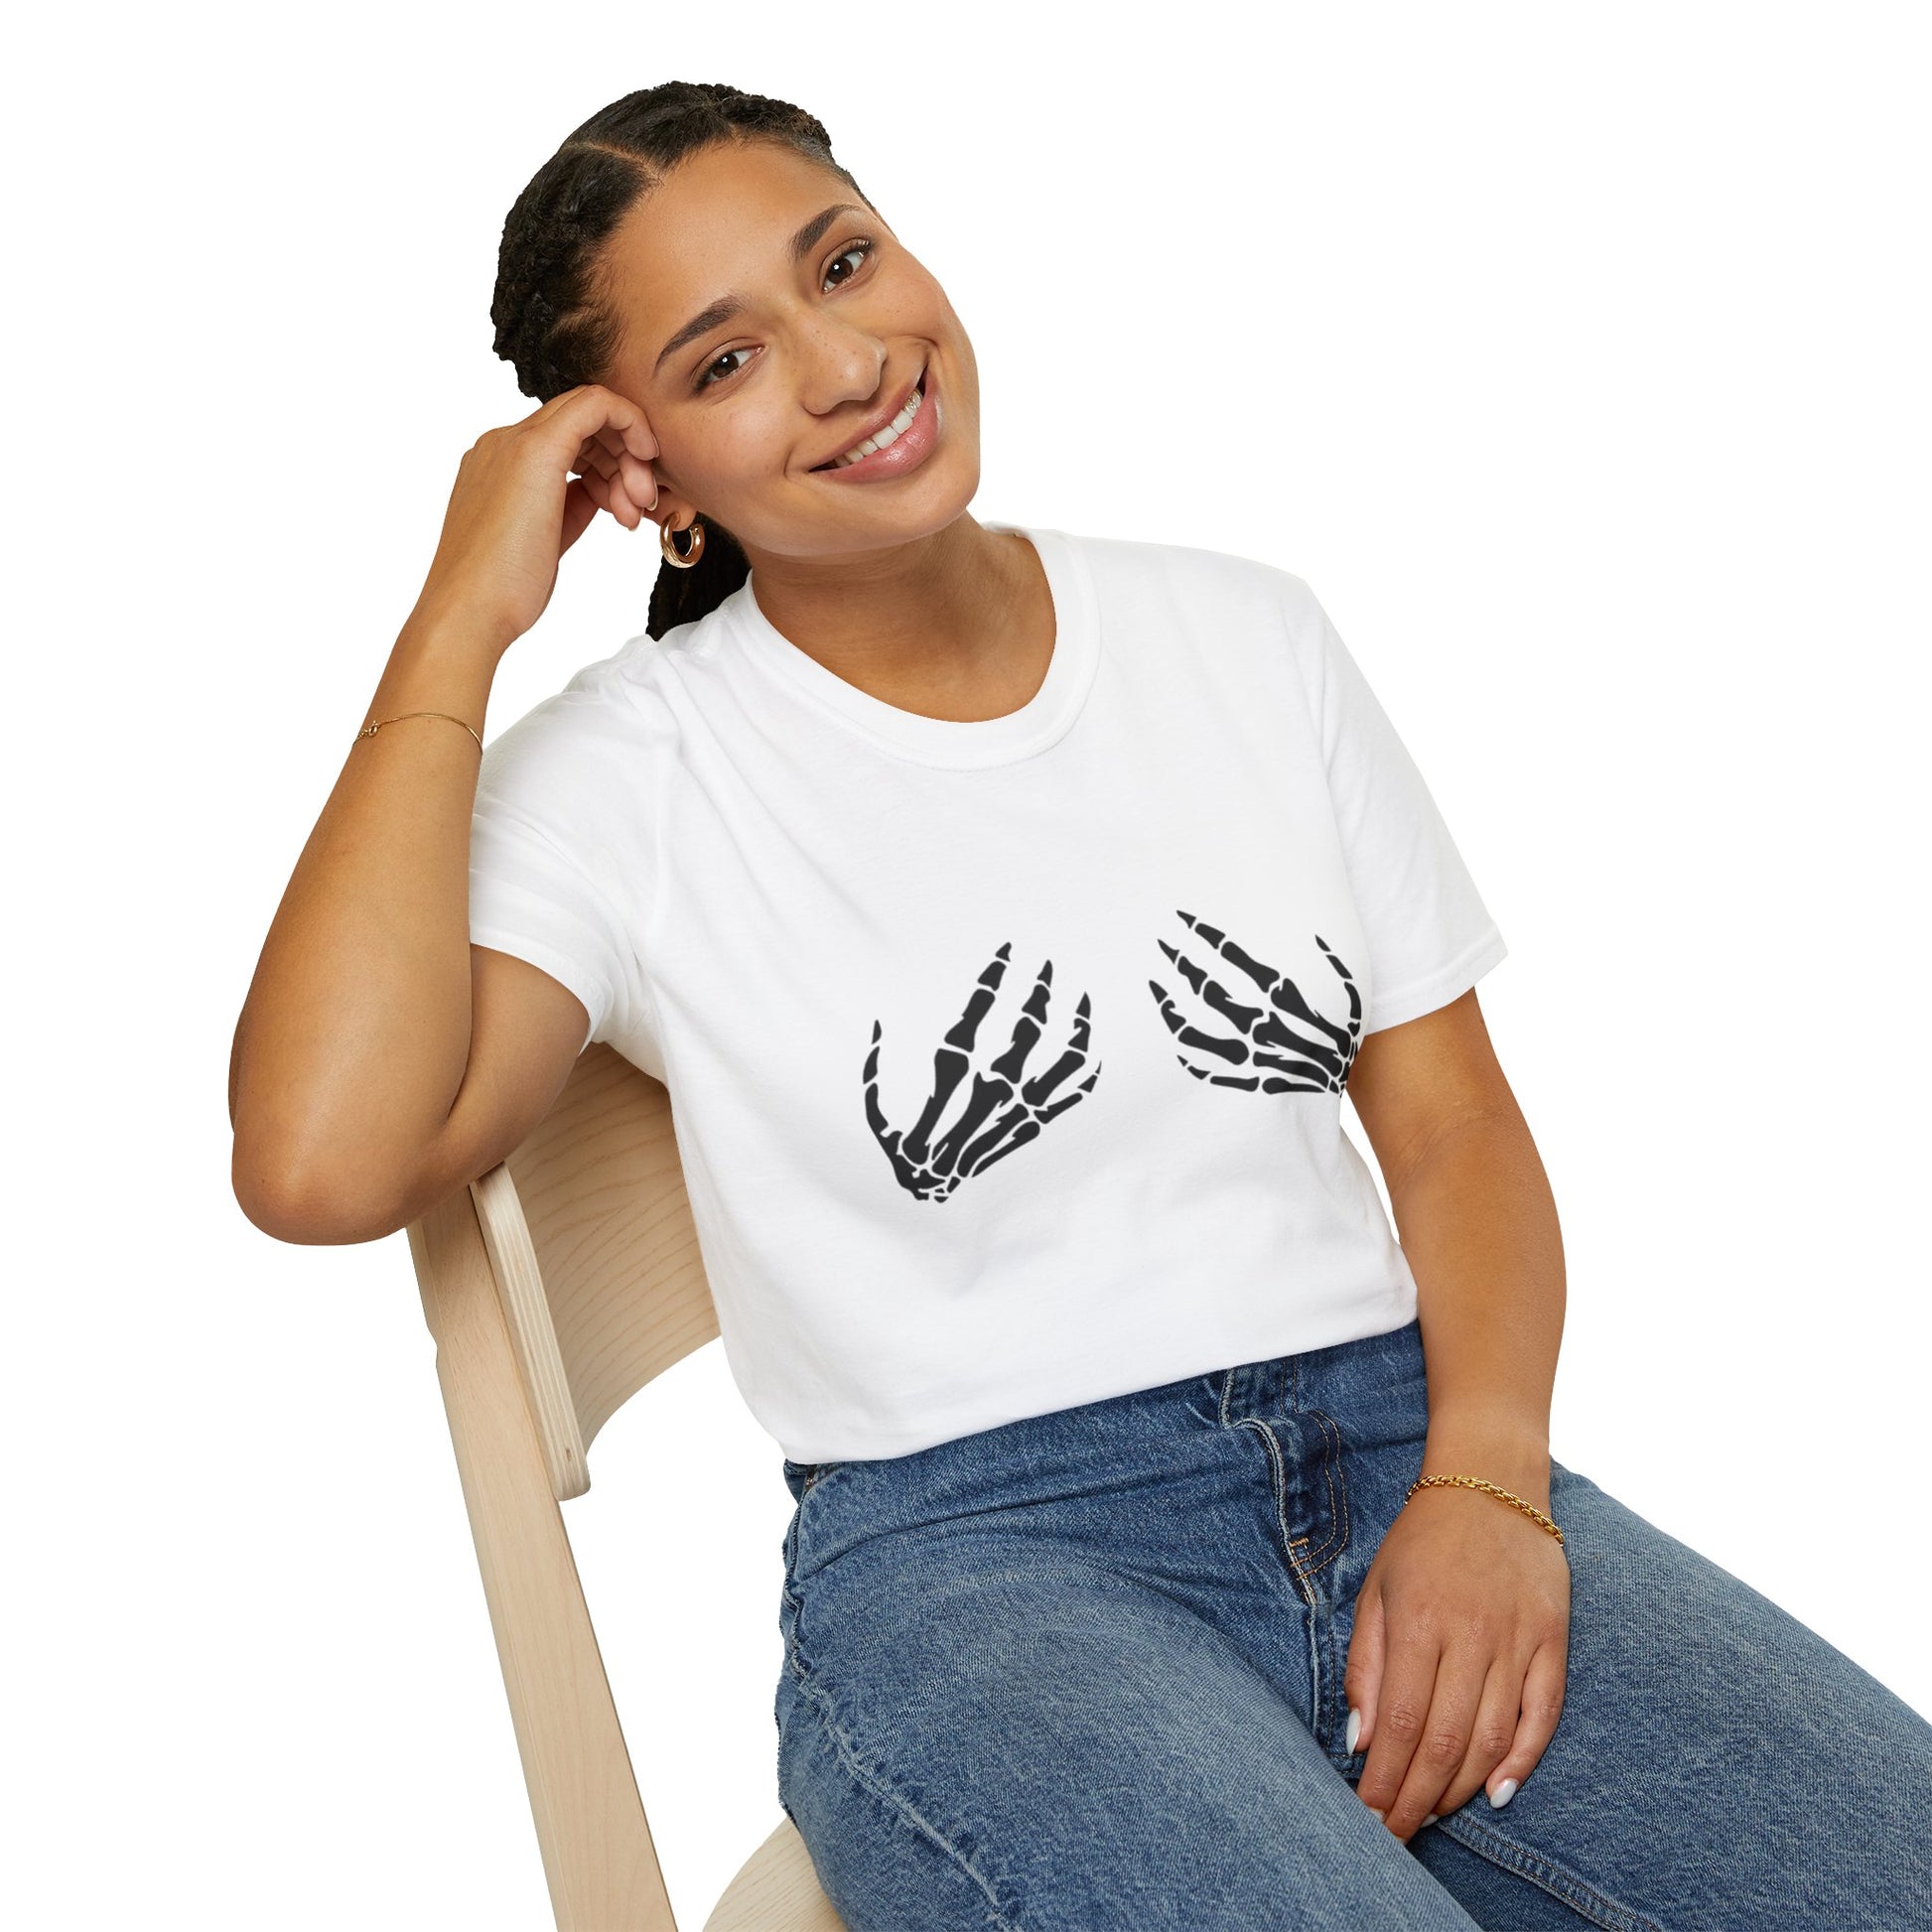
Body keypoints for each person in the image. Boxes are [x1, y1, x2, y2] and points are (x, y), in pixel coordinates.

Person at [228, 80, 1932, 1931]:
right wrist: (458, 617)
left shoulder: (1245, 635)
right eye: (726, 361)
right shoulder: (633, 775)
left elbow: (1451, 1126)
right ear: (649, 480)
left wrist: (1489, 1482)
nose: (846, 364)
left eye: (843, 264)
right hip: (980, 1567)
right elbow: (320, 1160)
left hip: (1405, 1447)